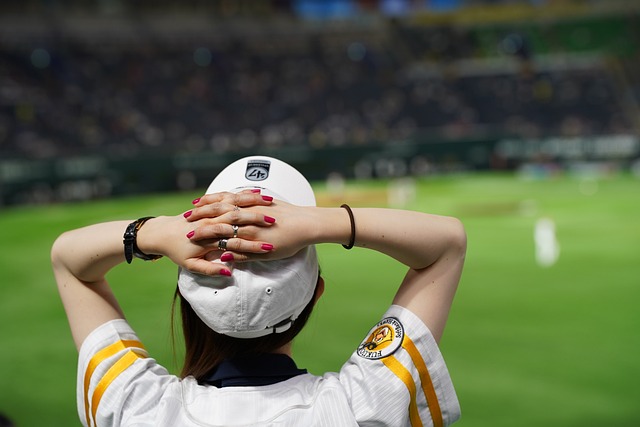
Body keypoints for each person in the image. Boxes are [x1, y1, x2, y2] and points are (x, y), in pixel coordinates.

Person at [52, 155, 467, 427]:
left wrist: (153, 231)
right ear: (316, 294)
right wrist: (320, 222)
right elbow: (447, 244)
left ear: (186, 302)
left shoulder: (136, 407)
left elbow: (69, 260)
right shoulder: (363, 408)